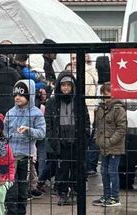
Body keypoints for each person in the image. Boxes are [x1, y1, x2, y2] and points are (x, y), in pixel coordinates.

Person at [45, 72, 90, 206]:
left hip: (76, 139)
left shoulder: (79, 101)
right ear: (59, 86)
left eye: (68, 85)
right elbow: (48, 123)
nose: (65, 88)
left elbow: (86, 120)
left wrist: (85, 136)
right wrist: (53, 139)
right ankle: (63, 193)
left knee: (77, 168)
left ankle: (76, 192)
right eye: (63, 85)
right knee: (62, 169)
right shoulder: (52, 102)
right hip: (60, 140)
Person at [4, 79, 46, 215]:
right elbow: (4, 133)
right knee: (11, 189)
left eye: (22, 95)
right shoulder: (10, 113)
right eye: (15, 94)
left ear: (30, 96)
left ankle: (21, 212)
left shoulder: (37, 113)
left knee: (23, 190)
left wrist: (29, 130)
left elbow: (41, 133)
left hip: (25, 157)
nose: (17, 97)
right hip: (10, 157)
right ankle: (11, 212)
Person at [92, 82, 127, 208]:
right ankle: (106, 196)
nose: (107, 98)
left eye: (109, 95)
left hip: (114, 146)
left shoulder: (119, 109)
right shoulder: (101, 108)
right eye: (105, 95)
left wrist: (110, 141)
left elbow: (122, 129)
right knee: (104, 171)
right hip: (103, 145)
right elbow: (97, 126)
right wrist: (97, 139)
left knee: (112, 171)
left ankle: (114, 196)